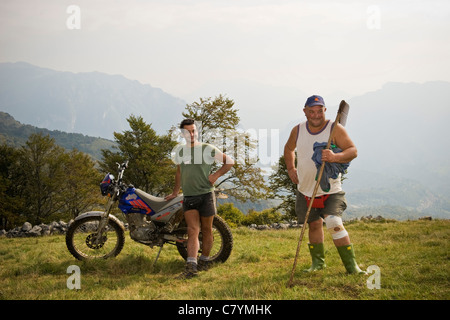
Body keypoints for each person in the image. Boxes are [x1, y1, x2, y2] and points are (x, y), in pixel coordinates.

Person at [284, 95, 366, 274]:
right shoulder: (297, 130)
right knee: (313, 225)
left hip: (331, 189)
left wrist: (335, 157)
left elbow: (353, 151)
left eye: (319, 111)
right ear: (305, 112)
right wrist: (291, 168)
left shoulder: (334, 129)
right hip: (305, 189)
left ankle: (352, 268)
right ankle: (318, 264)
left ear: (324, 111)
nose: (316, 115)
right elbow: (289, 149)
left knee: (334, 222)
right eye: (311, 111)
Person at [166, 119, 234, 279]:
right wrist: (175, 192)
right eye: (188, 131)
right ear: (183, 133)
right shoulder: (180, 152)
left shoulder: (207, 149)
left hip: (206, 195)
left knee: (207, 230)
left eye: (194, 131)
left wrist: (216, 175)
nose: (192, 134)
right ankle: (191, 267)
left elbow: (229, 161)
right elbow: (178, 172)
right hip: (189, 196)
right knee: (192, 231)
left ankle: (203, 261)